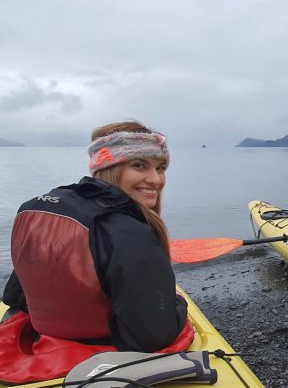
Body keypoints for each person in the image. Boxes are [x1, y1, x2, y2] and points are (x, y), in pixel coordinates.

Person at [2, 120, 190, 353]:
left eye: (160, 168)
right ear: (108, 167)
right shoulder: (130, 232)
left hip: (44, 346)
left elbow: (13, 296)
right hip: (97, 356)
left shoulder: (38, 209)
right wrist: (179, 304)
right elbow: (152, 337)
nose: (156, 180)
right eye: (140, 166)